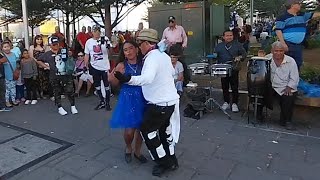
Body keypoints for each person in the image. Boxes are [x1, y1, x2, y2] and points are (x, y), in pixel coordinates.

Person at [114, 29, 180, 177]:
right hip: (169, 101)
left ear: (145, 43)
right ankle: (172, 159)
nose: (138, 47)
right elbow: (173, 73)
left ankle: (164, 162)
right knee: (164, 131)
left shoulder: (152, 57)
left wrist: (128, 79)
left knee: (147, 131)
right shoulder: (162, 55)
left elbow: (147, 78)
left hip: (159, 103)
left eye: (139, 43)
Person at [109, 41, 147, 164]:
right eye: (126, 50)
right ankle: (128, 146)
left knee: (142, 129)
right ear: (124, 53)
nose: (129, 51)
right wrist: (112, 77)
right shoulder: (121, 65)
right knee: (129, 131)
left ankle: (137, 151)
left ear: (137, 50)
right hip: (128, 99)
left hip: (144, 97)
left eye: (131, 48)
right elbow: (114, 83)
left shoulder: (145, 63)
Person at [259, 41, 299, 130]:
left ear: (284, 51)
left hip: (285, 86)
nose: (278, 53)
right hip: (271, 86)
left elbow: (295, 77)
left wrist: (289, 87)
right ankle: (259, 115)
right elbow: (255, 67)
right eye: (276, 51)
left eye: (281, 51)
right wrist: (260, 59)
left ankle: (287, 120)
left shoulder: (290, 61)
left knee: (289, 97)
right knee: (258, 93)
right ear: (272, 51)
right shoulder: (267, 58)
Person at [37, 36, 78, 116]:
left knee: (70, 91)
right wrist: (46, 66)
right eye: (54, 44)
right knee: (57, 92)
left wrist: (69, 55)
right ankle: (60, 107)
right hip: (54, 76)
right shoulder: (47, 54)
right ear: (50, 45)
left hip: (66, 75)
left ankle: (73, 106)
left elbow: (70, 58)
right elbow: (38, 60)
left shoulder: (63, 51)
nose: (56, 46)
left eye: (57, 44)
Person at [275, 0, 320, 70]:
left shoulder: (302, 15)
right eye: (298, 4)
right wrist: (283, 44)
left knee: (297, 64)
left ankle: (294, 79)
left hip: (298, 45)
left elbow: (315, 15)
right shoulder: (282, 17)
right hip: (288, 44)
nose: (300, 5)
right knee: (285, 64)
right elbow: (278, 30)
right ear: (292, 5)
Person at [214, 30, 247, 113]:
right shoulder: (219, 46)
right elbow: (215, 55)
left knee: (234, 86)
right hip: (223, 69)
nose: (229, 37)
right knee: (224, 86)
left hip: (234, 68)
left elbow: (244, 54)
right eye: (227, 35)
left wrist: (239, 57)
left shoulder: (238, 45)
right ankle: (226, 102)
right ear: (223, 37)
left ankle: (235, 103)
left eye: (230, 35)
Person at [84, 25, 112, 111]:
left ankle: (107, 103)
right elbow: (87, 54)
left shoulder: (105, 38)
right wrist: (85, 65)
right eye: (95, 31)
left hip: (104, 67)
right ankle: (101, 102)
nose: (97, 33)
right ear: (92, 32)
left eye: (98, 31)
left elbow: (109, 52)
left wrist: (107, 46)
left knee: (106, 86)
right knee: (97, 86)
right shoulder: (89, 42)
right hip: (94, 66)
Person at [29, 35, 51, 99]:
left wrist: (44, 64)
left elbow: (47, 55)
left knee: (44, 79)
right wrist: (38, 62)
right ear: (35, 40)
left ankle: (44, 93)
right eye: (37, 39)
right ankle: (38, 94)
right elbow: (32, 57)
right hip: (35, 65)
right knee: (37, 80)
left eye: (40, 39)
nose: (39, 40)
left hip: (43, 65)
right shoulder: (32, 47)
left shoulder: (44, 47)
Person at [2, 41, 19, 107]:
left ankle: (13, 100)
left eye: (8, 46)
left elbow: (16, 63)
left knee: (13, 88)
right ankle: (7, 101)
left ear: (10, 47)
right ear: (2, 48)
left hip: (14, 75)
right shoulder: (2, 56)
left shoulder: (13, 54)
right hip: (6, 75)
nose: (7, 48)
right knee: (7, 89)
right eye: (5, 47)